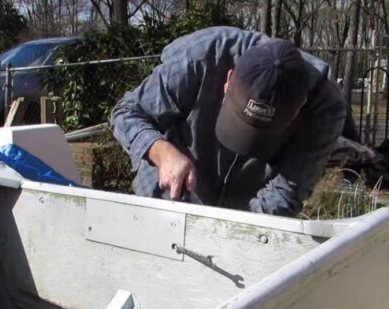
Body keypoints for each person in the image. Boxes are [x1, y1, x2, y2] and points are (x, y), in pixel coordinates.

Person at [111, 26, 346, 217]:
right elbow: (127, 112)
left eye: (259, 134)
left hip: (247, 207)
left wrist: (233, 239)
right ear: (228, 79)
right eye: (239, 123)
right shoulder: (198, 59)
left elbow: (286, 192)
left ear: (298, 110)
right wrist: (161, 152)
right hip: (166, 202)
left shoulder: (324, 108)